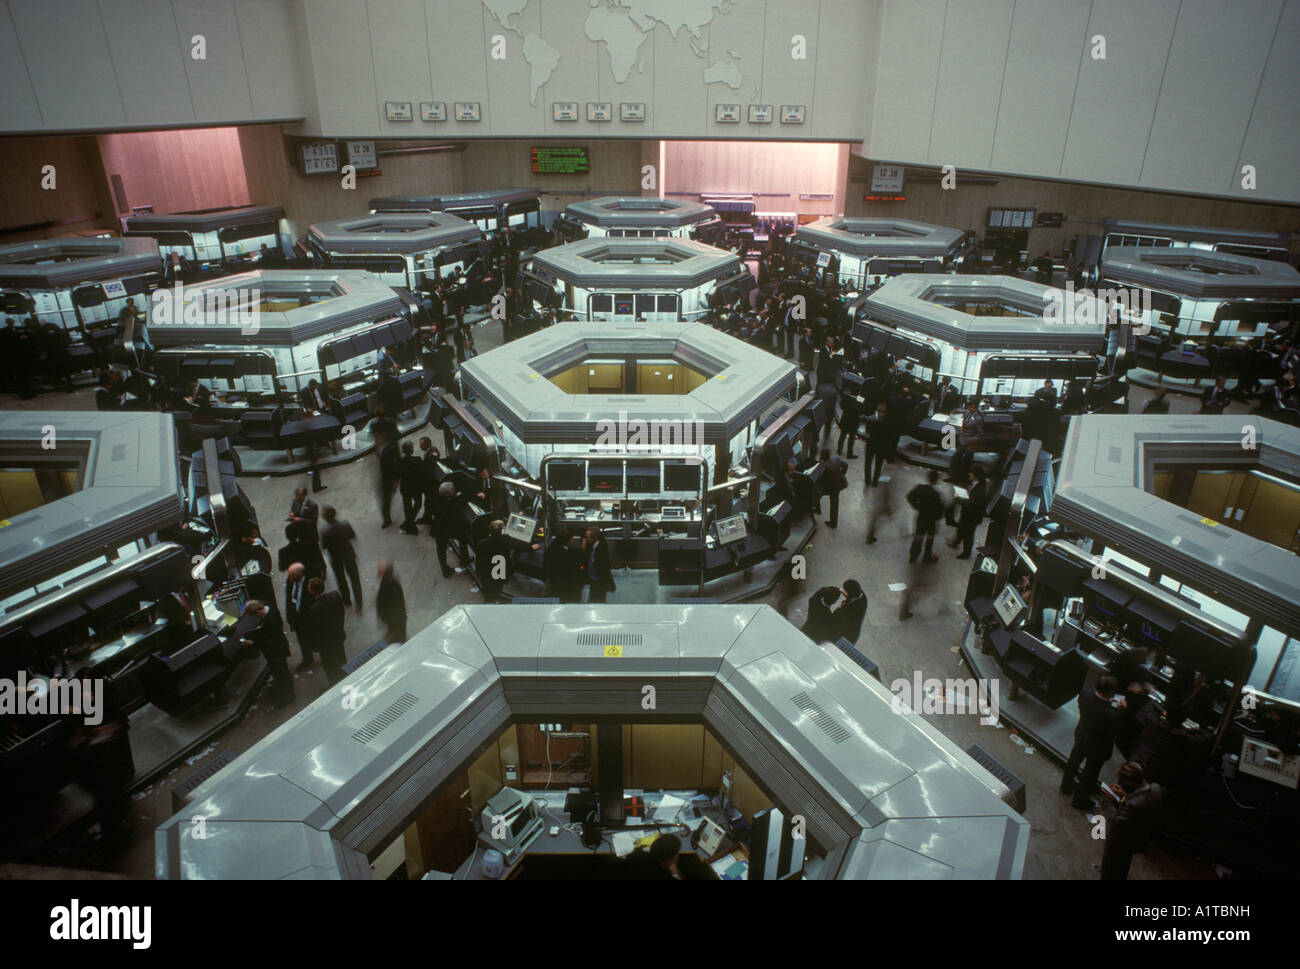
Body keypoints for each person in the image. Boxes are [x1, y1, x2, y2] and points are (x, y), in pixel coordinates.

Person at [1061, 674, 1123, 811]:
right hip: (1097, 746)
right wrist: (1120, 711)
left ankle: (1066, 786)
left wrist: (1107, 702)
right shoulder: (1111, 715)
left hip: (1082, 734)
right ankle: (1080, 799)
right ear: (1112, 692)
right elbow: (1115, 730)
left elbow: (1095, 705)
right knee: (1090, 772)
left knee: (1074, 760)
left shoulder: (1085, 694)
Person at [1100, 762, 1164, 881]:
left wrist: (1116, 800)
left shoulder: (1133, 804)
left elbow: (1117, 821)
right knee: (1122, 869)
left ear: (1130, 782)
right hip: (1137, 838)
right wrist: (1126, 795)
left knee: (1110, 871)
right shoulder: (1156, 789)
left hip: (1121, 842)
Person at [241, 599, 294, 708]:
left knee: (281, 674)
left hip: (276, 651)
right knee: (281, 673)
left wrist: (252, 643)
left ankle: (288, 697)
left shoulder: (271, 621)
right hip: (278, 648)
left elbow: (268, 640)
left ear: (257, 612)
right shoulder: (268, 608)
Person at [304, 577, 347, 686]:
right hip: (338, 634)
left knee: (328, 664)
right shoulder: (335, 595)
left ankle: (334, 683)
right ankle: (346, 675)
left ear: (313, 591)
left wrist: (315, 645)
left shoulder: (314, 609)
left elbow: (316, 629)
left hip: (326, 642)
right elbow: (342, 612)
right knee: (341, 656)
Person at [321, 505, 363, 612]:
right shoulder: (345, 524)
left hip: (336, 558)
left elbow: (324, 546)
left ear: (325, 517)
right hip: (348, 555)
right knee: (355, 579)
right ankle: (359, 602)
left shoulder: (324, 531)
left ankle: (346, 600)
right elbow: (353, 536)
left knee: (341, 579)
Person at [907, 469, 944, 564]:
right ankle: (927, 556)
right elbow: (940, 511)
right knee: (929, 539)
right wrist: (938, 517)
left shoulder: (920, 488)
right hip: (931, 521)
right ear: (936, 480)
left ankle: (913, 556)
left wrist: (917, 506)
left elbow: (909, 496)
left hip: (921, 517)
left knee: (918, 537)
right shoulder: (937, 494)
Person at [433, 480, 469, 577]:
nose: (455, 490)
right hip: (451, 528)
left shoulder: (438, 500)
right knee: (463, 539)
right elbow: (461, 502)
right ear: (448, 494)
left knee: (440, 549)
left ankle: (445, 569)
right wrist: (458, 496)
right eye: (453, 490)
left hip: (439, 528)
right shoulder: (452, 503)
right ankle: (464, 559)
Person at [952, 464, 988, 559]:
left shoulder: (980, 489)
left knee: (968, 534)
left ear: (976, 475)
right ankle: (956, 542)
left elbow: (971, 503)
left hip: (972, 516)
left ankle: (966, 553)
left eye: (971, 473)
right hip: (967, 513)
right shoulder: (977, 483)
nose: (969, 474)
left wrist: (958, 499)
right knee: (961, 528)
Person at [283, 562, 313, 671]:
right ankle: (307, 659)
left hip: (308, 618)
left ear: (299, 574)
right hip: (297, 618)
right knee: (302, 640)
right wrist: (289, 616)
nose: (289, 577)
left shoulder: (309, 582)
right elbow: (288, 599)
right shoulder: (290, 582)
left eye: (292, 574)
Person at [476, 519, 513, 603]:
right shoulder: (506, 539)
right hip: (501, 572)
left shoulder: (481, 543)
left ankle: (489, 600)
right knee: (498, 587)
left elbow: (479, 562)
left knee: (489, 592)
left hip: (487, 572)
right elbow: (517, 546)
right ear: (501, 530)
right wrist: (531, 547)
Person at [375, 559, 407, 644]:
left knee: (399, 642)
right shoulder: (386, 582)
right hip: (393, 622)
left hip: (396, 623)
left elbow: (396, 610)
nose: (378, 573)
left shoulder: (392, 587)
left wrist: (392, 631)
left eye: (380, 572)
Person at [862, 402, 891, 487]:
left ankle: (868, 481)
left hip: (871, 444)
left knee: (868, 463)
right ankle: (875, 482)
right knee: (878, 465)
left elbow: (867, 432)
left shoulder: (871, 419)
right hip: (882, 446)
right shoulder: (888, 421)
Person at [583, 527, 616, 603]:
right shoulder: (596, 544)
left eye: (587, 538)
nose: (586, 540)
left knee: (597, 601)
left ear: (594, 538)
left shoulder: (601, 550)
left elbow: (604, 568)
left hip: (599, 582)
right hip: (594, 579)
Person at [398, 440, 423, 535]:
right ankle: (408, 523)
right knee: (418, 503)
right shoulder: (417, 460)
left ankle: (409, 524)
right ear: (411, 450)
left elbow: (398, 474)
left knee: (407, 507)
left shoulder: (399, 462)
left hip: (405, 487)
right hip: (415, 487)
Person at [818, 447, 847, 528]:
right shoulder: (836, 459)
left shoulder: (824, 466)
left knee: (817, 493)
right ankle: (833, 522)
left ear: (822, 457)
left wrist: (820, 462)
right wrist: (842, 473)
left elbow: (820, 479)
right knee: (834, 503)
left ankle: (818, 509)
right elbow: (846, 465)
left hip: (831, 487)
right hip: (839, 483)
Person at [377, 430, 400, 529]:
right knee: (386, 499)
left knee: (386, 500)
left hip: (388, 478)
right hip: (387, 477)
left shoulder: (389, 450)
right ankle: (387, 518)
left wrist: (395, 480)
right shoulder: (391, 447)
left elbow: (393, 466)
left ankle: (387, 520)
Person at [835, 580, 867, 645]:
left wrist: (841, 607)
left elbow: (838, 617)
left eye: (845, 590)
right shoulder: (860, 594)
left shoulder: (853, 610)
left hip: (845, 636)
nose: (842, 590)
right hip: (850, 632)